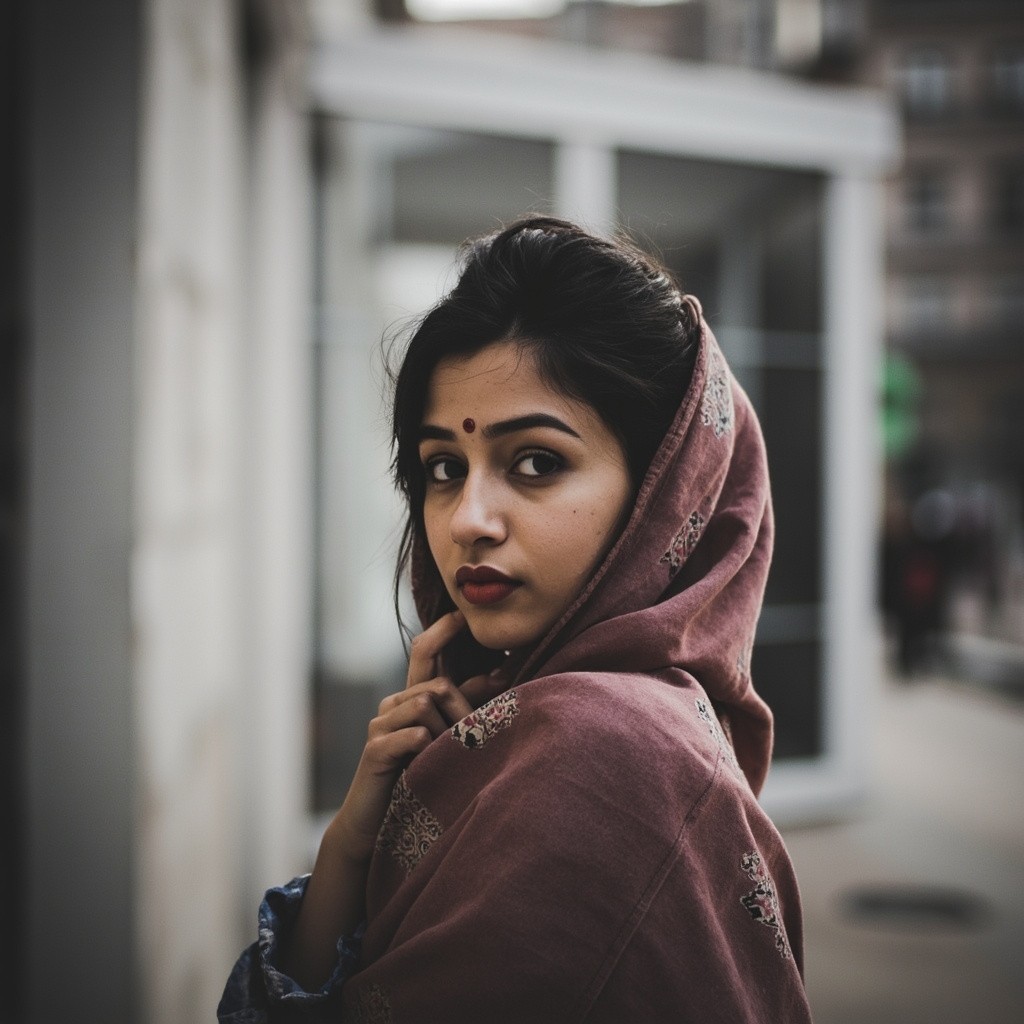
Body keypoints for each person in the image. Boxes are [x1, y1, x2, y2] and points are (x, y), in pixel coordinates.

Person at [218, 217, 813, 1023]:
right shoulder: (507, 723)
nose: (468, 519)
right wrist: (355, 841)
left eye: (536, 462)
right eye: (442, 468)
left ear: (661, 494)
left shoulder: (602, 747)